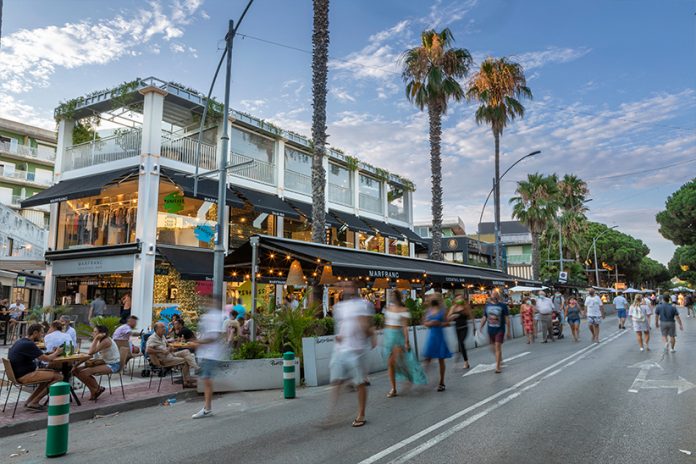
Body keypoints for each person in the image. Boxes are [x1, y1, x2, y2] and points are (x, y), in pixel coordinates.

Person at [328, 281, 376, 427]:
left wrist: (370, 333)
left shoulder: (363, 304)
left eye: (349, 286)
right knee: (336, 381)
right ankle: (331, 415)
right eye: (344, 286)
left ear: (355, 289)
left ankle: (361, 414)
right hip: (340, 349)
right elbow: (341, 325)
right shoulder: (339, 307)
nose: (346, 288)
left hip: (357, 350)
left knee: (360, 383)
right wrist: (339, 336)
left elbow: (367, 325)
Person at [8, 323, 64, 411]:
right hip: (24, 376)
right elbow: (47, 359)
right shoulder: (29, 344)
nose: (43, 335)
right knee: (59, 377)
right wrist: (57, 352)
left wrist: (52, 353)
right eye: (41, 333)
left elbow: (41, 356)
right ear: (35, 333)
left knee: (48, 377)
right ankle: (35, 402)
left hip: (19, 374)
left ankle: (30, 402)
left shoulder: (21, 341)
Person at [384, 291, 426, 397]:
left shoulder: (404, 310)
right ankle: (394, 387)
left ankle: (405, 379)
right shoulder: (388, 308)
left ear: (398, 298)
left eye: (393, 296)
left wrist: (406, 341)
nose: (391, 297)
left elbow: (405, 327)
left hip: (398, 338)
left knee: (396, 362)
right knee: (393, 363)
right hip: (389, 337)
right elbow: (386, 324)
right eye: (390, 296)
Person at [192, 297, 226, 419]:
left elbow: (213, 336)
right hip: (207, 353)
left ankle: (207, 408)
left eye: (208, 301)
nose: (205, 303)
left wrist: (198, 342)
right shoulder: (212, 316)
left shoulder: (214, 317)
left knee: (207, 380)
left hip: (210, 354)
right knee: (207, 380)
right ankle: (207, 408)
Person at [72, 325, 121, 401]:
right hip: (105, 362)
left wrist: (96, 338)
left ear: (102, 334)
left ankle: (96, 389)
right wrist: (76, 365)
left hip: (113, 365)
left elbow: (91, 352)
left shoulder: (106, 341)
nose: (93, 333)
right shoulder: (100, 340)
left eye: (95, 332)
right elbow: (90, 355)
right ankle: (96, 389)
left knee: (84, 373)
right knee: (75, 371)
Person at [146, 321, 198, 388]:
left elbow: (167, 346)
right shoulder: (152, 338)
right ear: (157, 329)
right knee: (185, 361)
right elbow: (148, 350)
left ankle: (194, 367)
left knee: (186, 351)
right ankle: (186, 382)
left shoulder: (162, 336)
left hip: (170, 354)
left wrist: (170, 348)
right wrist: (161, 351)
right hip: (164, 359)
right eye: (162, 327)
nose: (164, 328)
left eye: (164, 327)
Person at [422, 296, 451, 390]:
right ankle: (423, 378)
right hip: (432, 337)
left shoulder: (443, 311)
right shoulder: (428, 311)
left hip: (440, 337)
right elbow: (425, 323)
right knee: (428, 358)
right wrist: (430, 324)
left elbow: (448, 323)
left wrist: (439, 323)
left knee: (441, 359)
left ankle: (441, 382)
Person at [480, 290, 511, 373]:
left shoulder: (503, 306)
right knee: (492, 347)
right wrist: (480, 327)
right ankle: (500, 358)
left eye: (496, 295)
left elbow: (507, 319)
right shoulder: (487, 306)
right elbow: (484, 317)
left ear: (498, 296)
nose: (494, 296)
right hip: (490, 330)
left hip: (500, 330)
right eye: (493, 295)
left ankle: (497, 367)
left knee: (497, 347)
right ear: (491, 296)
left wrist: (508, 331)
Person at [448, 295, 472, 368]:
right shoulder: (453, 308)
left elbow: (470, 315)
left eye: (460, 298)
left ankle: (466, 362)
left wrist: (474, 327)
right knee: (460, 344)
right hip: (457, 328)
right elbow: (448, 318)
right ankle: (463, 358)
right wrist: (452, 316)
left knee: (461, 343)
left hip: (465, 327)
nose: (459, 300)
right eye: (457, 298)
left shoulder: (465, 307)